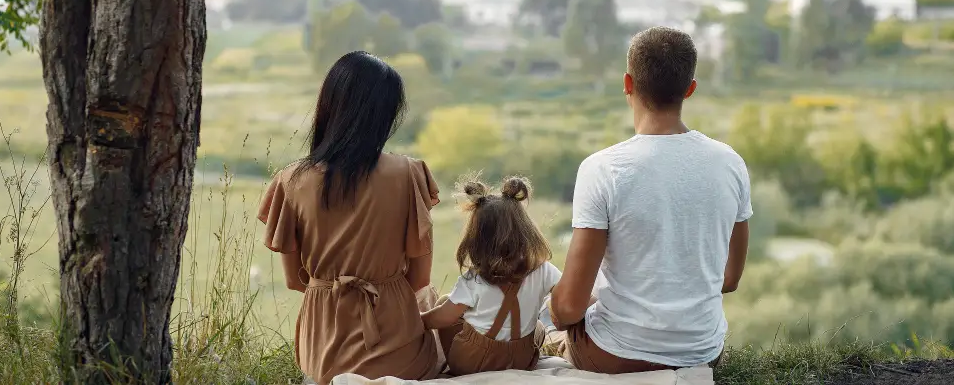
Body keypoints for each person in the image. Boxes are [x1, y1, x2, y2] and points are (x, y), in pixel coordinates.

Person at [550, 26, 751, 374]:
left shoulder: (602, 168)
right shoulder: (729, 162)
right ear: (690, 89)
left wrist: (552, 311)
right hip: (702, 351)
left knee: (546, 318)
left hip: (614, 354)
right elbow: (730, 279)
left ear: (627, 84)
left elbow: (568, 308)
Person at [258, 51, 441, 385]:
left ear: (329, 107)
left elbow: (294, 281)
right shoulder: (409, 174)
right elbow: (419, 279)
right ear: (385, 115)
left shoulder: (291, 180)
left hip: (322, 358)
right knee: (433, 302)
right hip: (400, 358)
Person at [422, 176, 561, 376]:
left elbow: (444, 318)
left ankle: (452, 366)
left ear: (477, 238)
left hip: (472, 363)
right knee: (537, 325)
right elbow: (568, 291)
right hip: (522, 359)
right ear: (525, 231)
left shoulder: (474, 280)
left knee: (447, 305)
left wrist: (421, 320)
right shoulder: (544, 270)